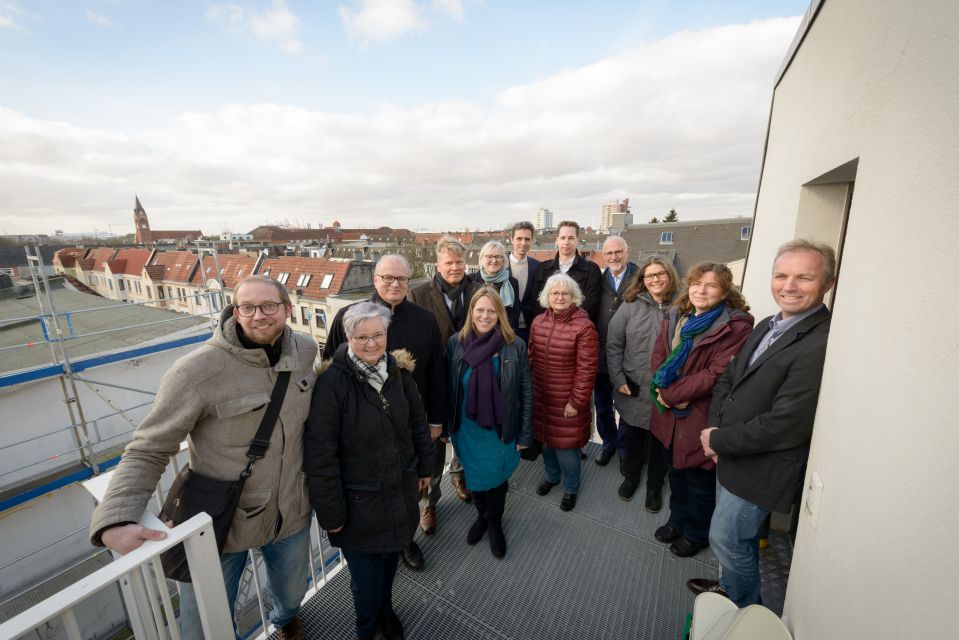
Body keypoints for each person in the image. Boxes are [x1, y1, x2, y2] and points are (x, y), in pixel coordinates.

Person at [89, 275, 317, 640]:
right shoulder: (196, 371)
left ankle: (284, 619)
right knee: (201, 627)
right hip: (219, 522)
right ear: (235, 311)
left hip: (290, 511)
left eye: (269, 306)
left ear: (288, 309)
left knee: (292, 595)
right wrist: (114, 517)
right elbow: (149, 447)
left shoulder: (306, 350)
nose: (259, 315)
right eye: (248, 307)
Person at [687, 240, 837, 607]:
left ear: (827, 283)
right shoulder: (770, 324)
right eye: (781, 275)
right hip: (731, 451)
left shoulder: (819, 341)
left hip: (761, 466)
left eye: (804, 278)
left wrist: (719, 440)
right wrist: (713, 433)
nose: (789, 286)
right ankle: (732, 588)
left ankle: (740, 606)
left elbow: (786, 423)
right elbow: (728, 380)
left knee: (726, 538)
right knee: (741, 538)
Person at [306, 302, 435, 640]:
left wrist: (425, 467)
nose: (371, 344)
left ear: (387, 334)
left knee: (390, 564)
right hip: (358, 504)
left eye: (377, 335)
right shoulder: (332, 384)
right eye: (361, 337)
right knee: (365, 580)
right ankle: (367, 627)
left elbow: (418, 424)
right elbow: (320, 455)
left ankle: (386, 613)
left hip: (399, 492)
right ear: (348, 337)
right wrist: (331, 514)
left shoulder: (398, 373)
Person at [323, 254, 446, 571]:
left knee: (409, 487)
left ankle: (406, 540)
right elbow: (329, 370)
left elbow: (436, 374)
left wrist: (435, 420)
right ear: (375, 279)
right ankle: (372, 551)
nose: (394, 284)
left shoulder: (424, 319)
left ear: (409, 282)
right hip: (360, 428)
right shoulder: (348, 316)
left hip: (409, 424)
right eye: (387, 278)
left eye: (401, 279)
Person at [650, 263, 753, 558]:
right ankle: (677, 520)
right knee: (675, 473)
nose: (701, 290)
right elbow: (659, 354)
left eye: (711, 285)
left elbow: (716, 373)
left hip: (698, 415)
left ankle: (696, 533)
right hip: (669, 414)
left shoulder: (734, 327)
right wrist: (665, 391)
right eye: (696, 283)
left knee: (699, 481)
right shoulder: (676, 317)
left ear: (724, 292)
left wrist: (670, 394)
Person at [446, 289, 533, 558]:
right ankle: (481, 516)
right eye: (479, 310)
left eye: (491, 311)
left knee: (495, 480)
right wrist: (447, 427)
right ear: (471, 312)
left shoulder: (514, 344)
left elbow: (525, 392)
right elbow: (448, 387)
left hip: (499, 429)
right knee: (474, 477)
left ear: (500, 314)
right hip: (467, 430)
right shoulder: (455, 343)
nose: (485, 316)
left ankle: (494, 523)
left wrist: (525, 434)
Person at [408, 237, 479, 515]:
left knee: (465, 430)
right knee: (433, 440)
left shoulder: (479, 290)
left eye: (459, 262)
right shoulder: (419, 294)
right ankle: (429, 502)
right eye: (448, 262)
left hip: (469, 378)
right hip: (434, 379)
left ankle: (459, 477)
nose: (454, 267)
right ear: (437, 265)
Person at [606, 257, 680, 510]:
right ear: (642, 281)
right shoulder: (629, 307)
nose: (655, 279)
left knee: (660, 443)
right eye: (649, 276)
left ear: (669, 276)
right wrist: (618, 379)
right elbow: (614, 345)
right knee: (633, 437)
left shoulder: (683, 307)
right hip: (633, 387)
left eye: (660, 274)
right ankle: (631, 477)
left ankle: (654, 487)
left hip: (665, 391)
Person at [528, 273, 599, 512]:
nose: (559, 297)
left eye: (565, 293)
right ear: (547, 296)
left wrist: (576, 402)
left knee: (566, 448)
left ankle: (571, 487)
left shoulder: (584, 327)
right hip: (541, 396)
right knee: (546, 442)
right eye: (555, 293)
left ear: (573, 297)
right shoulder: (538, 322)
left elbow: (587, 370)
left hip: (566, 400)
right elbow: (530, 358)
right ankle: (552, 476)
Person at [593, 235, 639, 467]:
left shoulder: (640, 279)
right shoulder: (597, 280)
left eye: (618, 252)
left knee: (626, 407)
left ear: (627, 252)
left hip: (628, 357)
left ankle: (624, 449)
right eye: (609, 253)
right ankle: (608, 444)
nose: (614, 257)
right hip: (601, 356)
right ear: (603, 256)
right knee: (602, 405)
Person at [531, 220, 603, 323]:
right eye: (563, 238)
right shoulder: (542, 269)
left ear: (577, 240)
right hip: (547, 328)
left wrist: (564, 323)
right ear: (557, 240)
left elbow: (591, 306)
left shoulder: (592, 270)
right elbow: (535, 302)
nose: (566, 242)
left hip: (576, 329)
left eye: (571, 238)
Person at [469, 240, 521, 333]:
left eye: (498, 257)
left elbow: (514, 315)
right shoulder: (470, 280)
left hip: (501, 335)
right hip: (475, 334)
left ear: (503, 260)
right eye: (489, 256)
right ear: (482, 259)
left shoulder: (512, 282)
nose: (494, 260)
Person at [506, 221, 541, 344]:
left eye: (527, 239)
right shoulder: (500, 266)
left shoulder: (538, 267)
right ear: (511, 240)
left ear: (532, 241)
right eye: (519, 238)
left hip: (531, 329)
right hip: (506, 328)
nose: (523, 243)